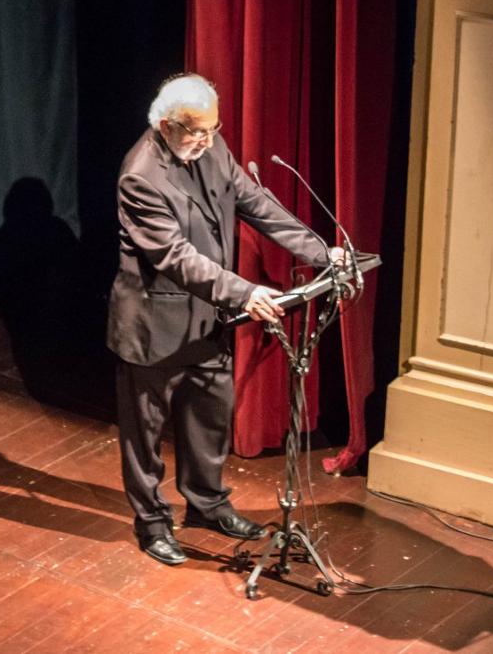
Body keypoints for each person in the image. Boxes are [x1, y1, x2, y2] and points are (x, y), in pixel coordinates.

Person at [107, 73, 342, 565]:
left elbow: (257, 205)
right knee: (145, 437)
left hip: (209, 319)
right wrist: (246, 291)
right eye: (196, 132)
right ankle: (152, 524)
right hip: (156, 325)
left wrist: (322, 252)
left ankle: (207, 505)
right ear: (167, 125)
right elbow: (176, 258)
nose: (208, 141)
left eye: (213, 129)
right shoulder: (141, 176)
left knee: (209, 418)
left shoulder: (212, 148)